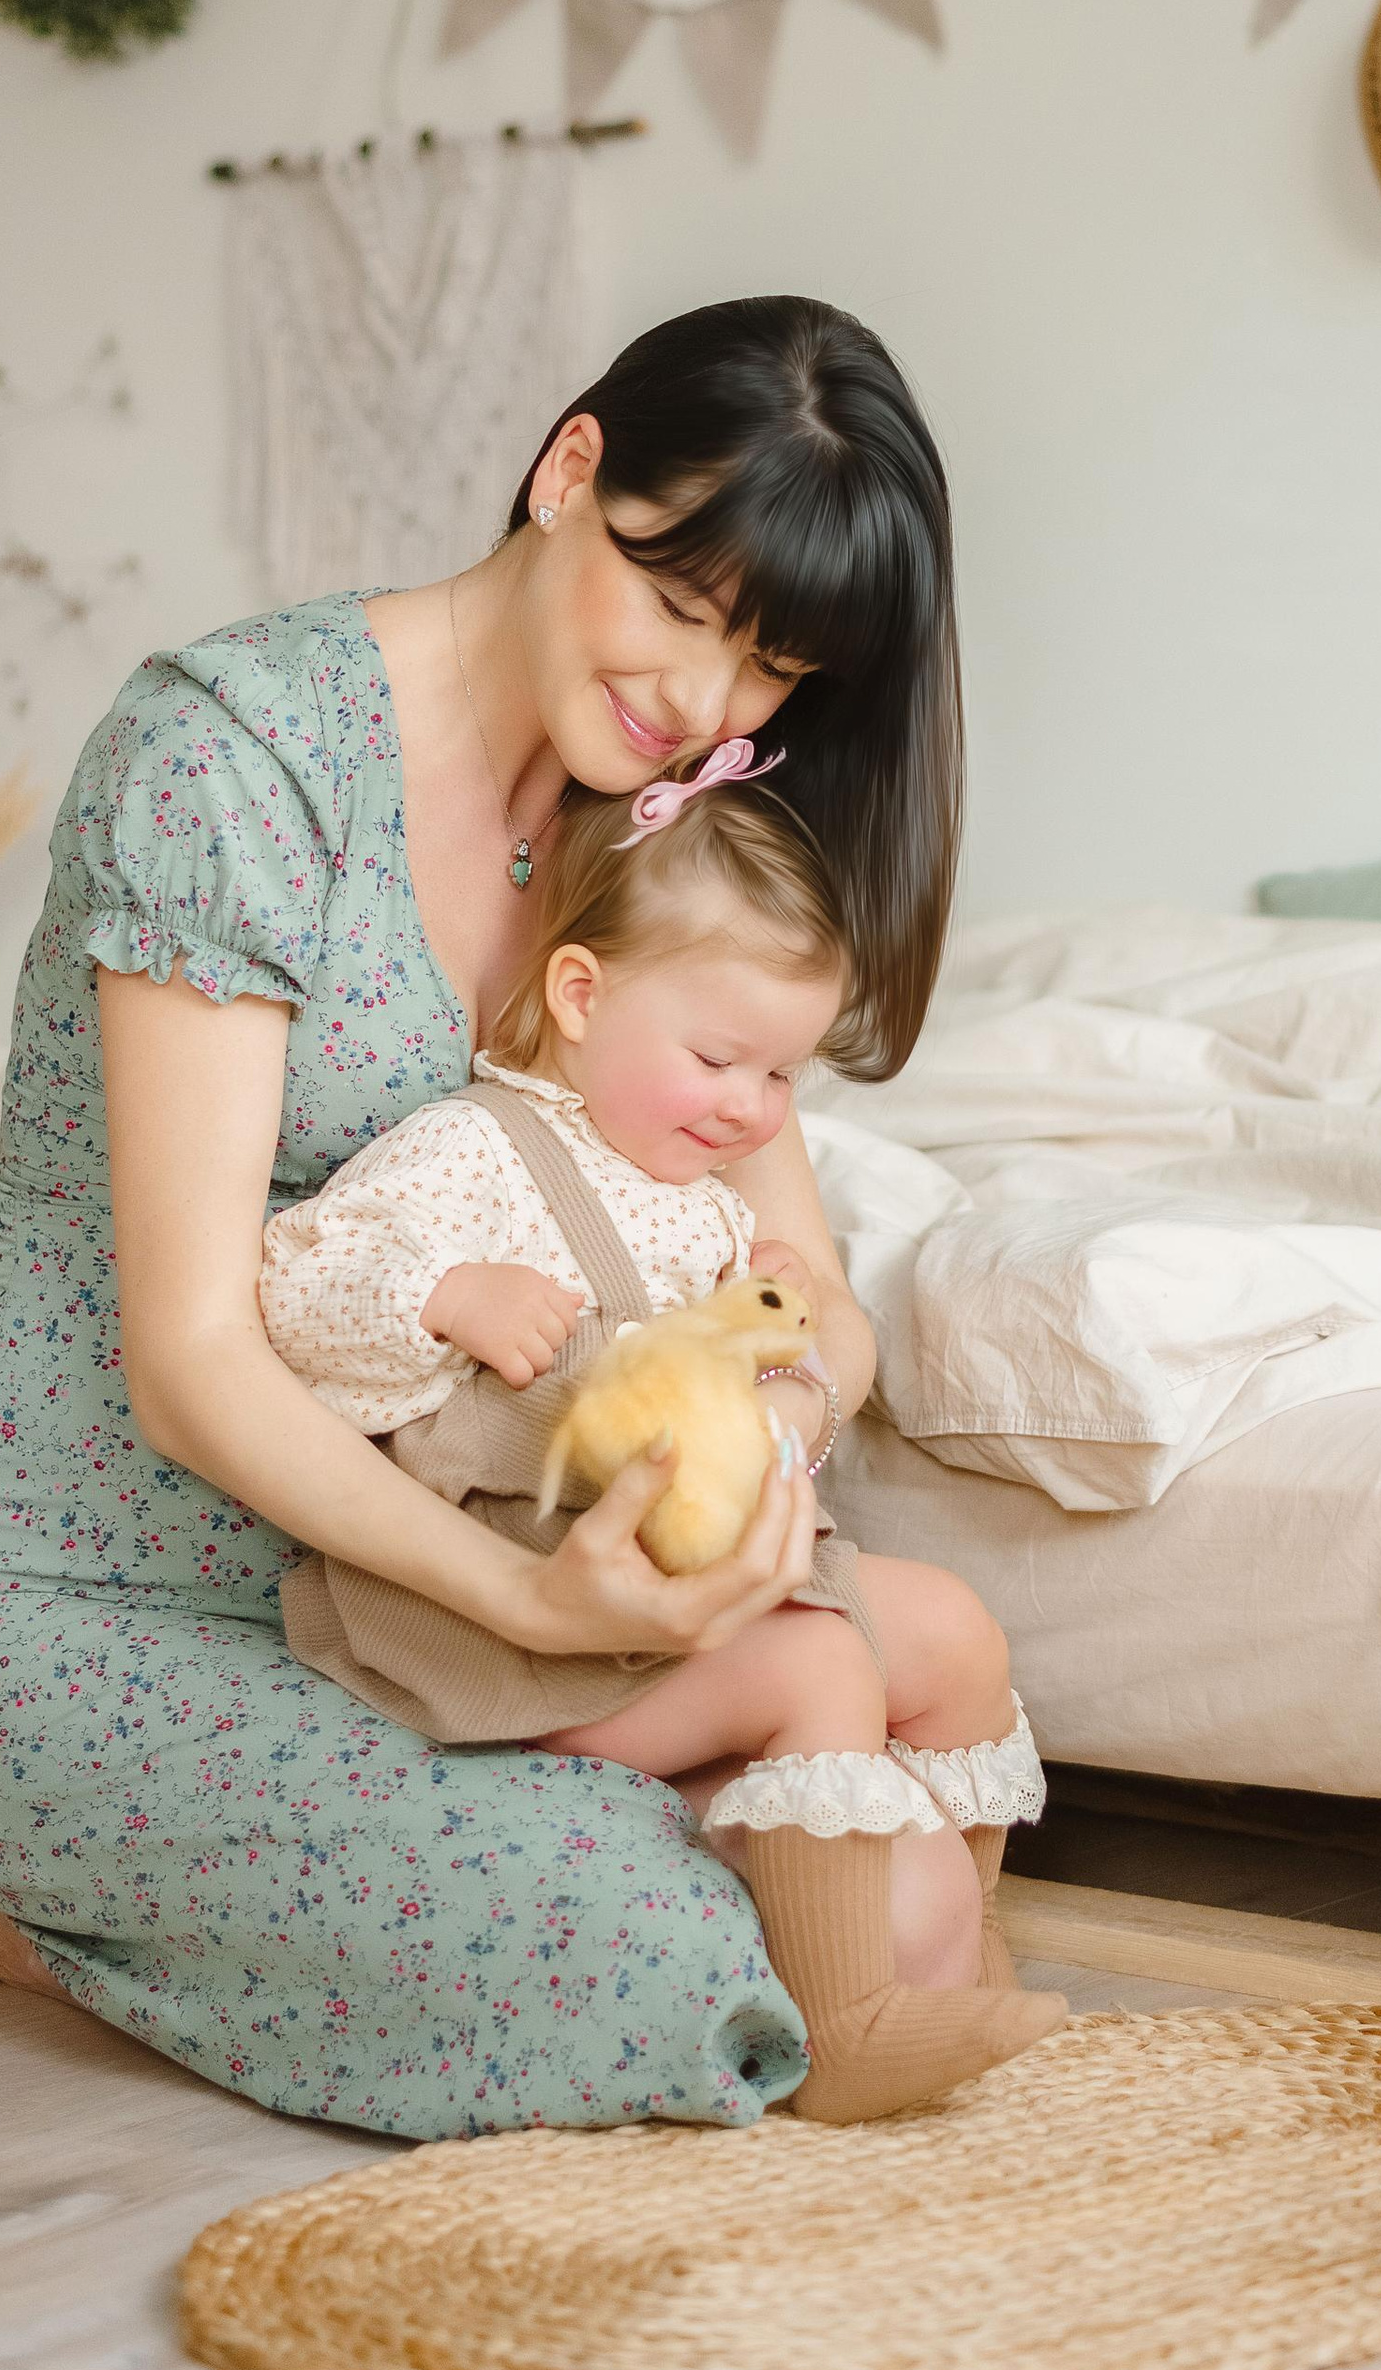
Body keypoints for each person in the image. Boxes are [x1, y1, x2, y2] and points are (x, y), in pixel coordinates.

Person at [0, 296, 969, 2137]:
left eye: (770, 665)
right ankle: (65, 1917)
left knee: (911, 1914)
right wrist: (540, 1607)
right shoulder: (232, 761)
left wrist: (771, 1430)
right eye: (683, 604)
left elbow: (809, 1288)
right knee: (676, 1961)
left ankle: (185, 1930)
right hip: (115, 1607)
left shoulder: (658, 816)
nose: (708, 702)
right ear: (569, 471)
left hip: (433, 1629)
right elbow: (196, 1359)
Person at [259, 772, 1062, 2123]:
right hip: (520, 1642)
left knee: (957, 1635)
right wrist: (451, 1299)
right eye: (720, 1061)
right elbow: (292, 1285)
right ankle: (852, 2025)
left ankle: (960, 1942)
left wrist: (787, 1383)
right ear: (581, 997)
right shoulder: (474, 1154)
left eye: (782, 1074)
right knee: (816, 1664)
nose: (754, 1109)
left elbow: (788, 1366)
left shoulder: (691, 1203)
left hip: (683, 1601)